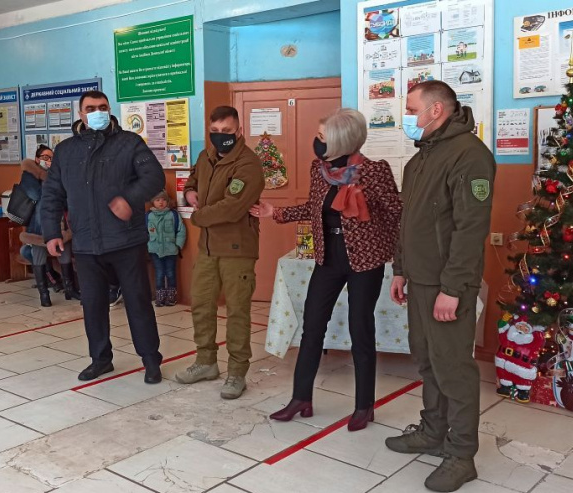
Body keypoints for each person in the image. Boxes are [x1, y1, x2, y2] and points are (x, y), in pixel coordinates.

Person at [251, 108, 402, 431]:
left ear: (342, 140)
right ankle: (300, 398)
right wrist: (275, 212)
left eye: (323, 137)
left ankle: (364, 406)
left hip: (364, 261)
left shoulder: (375, 172)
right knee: (312, 326)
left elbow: (397, 214)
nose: (317, 143)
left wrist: (396, 255)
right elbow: (312, 207)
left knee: (361, 330)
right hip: (328, 258)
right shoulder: (318, 170)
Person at [386, 80, 495, 493]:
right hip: (420, 279)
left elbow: (471, 229)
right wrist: (400, 269)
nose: (407, 117)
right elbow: (408, 222)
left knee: (454, 369)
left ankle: (462, 454)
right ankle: (433, 432)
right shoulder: (419, 160)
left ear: (435, 111)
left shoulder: (470, 156)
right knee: (427, 360)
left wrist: (454, 287)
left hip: (449, 285)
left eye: (412, 109)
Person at [41, 90, 165, 384]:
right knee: (93, 305)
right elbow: (52, 195)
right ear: (81, 113)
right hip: (85, 243)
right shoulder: (66, 151)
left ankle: (150, 360)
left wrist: (129, 198)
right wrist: (51, 233)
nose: (97, 111)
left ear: (110, 110)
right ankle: (100, 359)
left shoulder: (129, 143)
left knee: (138, 302)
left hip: (126, 240)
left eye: (103, 107)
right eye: (90, 108)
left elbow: (154, 177)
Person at [174, 106, 263, 400]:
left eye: (227, 132)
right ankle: (206, 362)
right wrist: (189, 193)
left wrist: (197, 218)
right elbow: (192, 180)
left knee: (237, 311)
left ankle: (237, 372)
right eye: (215, 131)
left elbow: (232, 206)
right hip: (209, 248)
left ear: (239, 131)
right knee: (201, 305)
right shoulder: (206, 156)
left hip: (237, 249)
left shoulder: (248, 164)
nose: (220, 137)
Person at [18, 145, 80, 307]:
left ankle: (70, 289)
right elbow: (35, 194)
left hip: (60, 223)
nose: (48, 161)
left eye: (51, 158)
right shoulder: (29, 174)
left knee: (64, 253)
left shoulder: (58, 175)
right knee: (39, 255)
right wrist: (50, 185)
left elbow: (67, 198)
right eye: (45, 158)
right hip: (38, 226)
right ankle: (44, 294)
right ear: (37, 159)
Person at [147, 190, 186, 307]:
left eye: (164, 200)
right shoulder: (148, 216)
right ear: (153, 202)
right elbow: (145, 233)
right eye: (158, 200)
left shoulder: (173, 215)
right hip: (155, 250)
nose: (161, 203)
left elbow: (181, 230)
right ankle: (160, 297)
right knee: (159, 273)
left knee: (170, 273)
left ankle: (171, 297)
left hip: (171, 249)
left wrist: (178, 245)